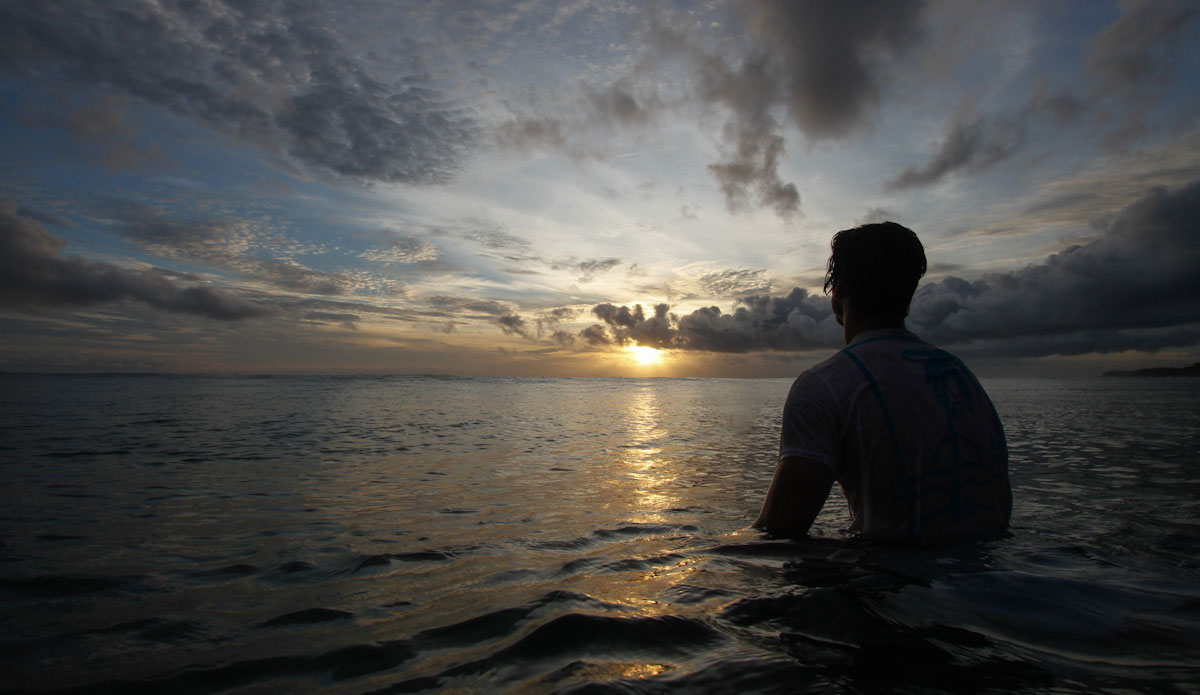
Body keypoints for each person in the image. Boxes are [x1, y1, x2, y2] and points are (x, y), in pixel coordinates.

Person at [754, 222, 1011, 544]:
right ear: (909, 294)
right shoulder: (961, 377)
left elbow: (779, 531)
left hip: (889, 585)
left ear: (838, 294)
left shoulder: (825, 384)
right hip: (992, 578)